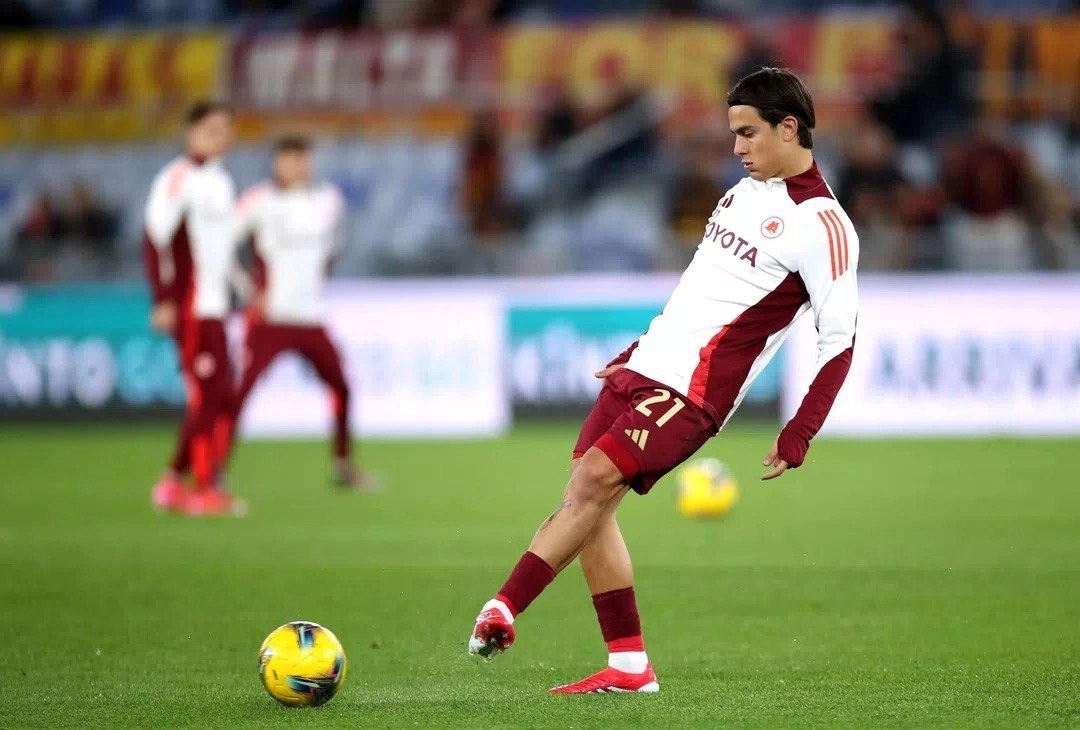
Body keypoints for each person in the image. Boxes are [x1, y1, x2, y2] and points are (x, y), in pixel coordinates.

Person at [467, 68, 860, 694]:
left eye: (748, 133)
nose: (736, 147)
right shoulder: (741, 194)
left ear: (790, 128)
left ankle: (502, 609)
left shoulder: (824, 225)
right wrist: (635, 352)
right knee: (588, 507)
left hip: (692, 393)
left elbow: (839, 342)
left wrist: (800, 431)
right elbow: (698, 292)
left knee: (592, 484)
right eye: (733, 133)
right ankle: (629, 666)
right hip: (646, 368)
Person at [220, 135, 368, 489]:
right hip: (270, 318)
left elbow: (334, 245)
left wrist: (320, 274)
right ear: (277, 163)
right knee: (238, 393)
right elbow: (222, 245)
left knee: (342, 387)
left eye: (303, 159)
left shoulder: (327, 200)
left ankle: (343, 465)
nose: (298, 166)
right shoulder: (259, 201)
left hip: (311, 316)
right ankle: (214, 469)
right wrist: (247, 289)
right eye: (290, 159)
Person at [144, 101, 243, 517]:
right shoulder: (177, 177)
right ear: (191, 133)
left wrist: (244, 288)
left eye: (225, 130)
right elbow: (155, 239)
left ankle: (174, 480)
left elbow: (222, 250)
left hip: (216, 305)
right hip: (191, 306)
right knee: (206, 395)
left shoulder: (221, 180)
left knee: (221, 394)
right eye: (212, 130)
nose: (221, 138)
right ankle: (202, 487)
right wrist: (163, 299)